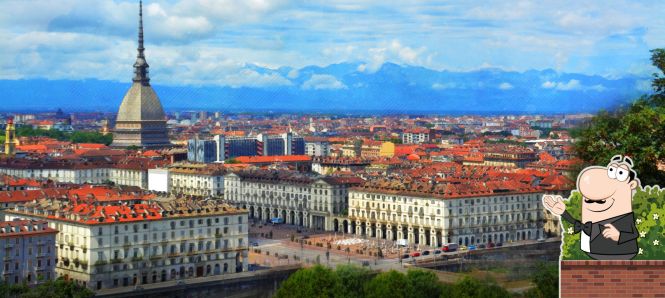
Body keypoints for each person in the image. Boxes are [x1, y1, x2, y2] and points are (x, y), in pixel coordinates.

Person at [543, 155, 640, 260]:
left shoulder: (623, 219)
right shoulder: (590, 222)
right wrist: (563, 212)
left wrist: (619, 236)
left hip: (619, 253)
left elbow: (634, 234)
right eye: (588, 200)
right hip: (593, 253)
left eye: (600, 201)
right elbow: (577, 223)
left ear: (631, 185)